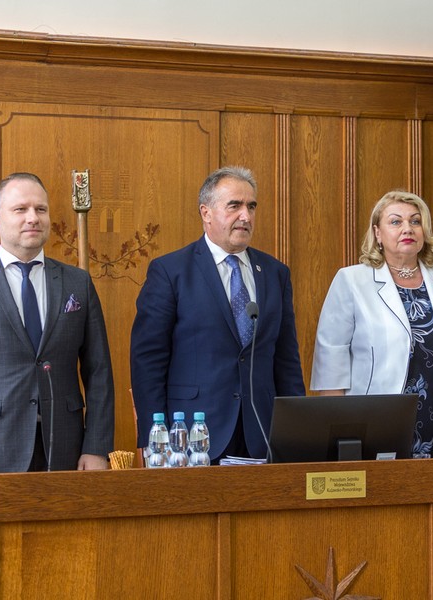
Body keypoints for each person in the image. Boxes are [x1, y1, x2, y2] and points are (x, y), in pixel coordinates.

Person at [0, 172, 115, 473]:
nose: (33, 218)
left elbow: (99, 373)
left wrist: (96, 447)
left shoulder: (77, 283)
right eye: (20, 209)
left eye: (41, 209)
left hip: (66, 451)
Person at [130, 166, 304, 461]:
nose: (245, 216)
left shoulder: (275, 273)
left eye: (251, 207)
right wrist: (154, 437)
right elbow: (148, 360)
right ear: (206, 213)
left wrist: (297, 432)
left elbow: (286, 361)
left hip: (262, 433)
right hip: (192, 435)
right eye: (234, 206)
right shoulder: (171, 272)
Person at [311, 190, 433, 458]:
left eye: (415, 221)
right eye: (395, 221)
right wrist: (339, 432)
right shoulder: (352, 281)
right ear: (377, 233)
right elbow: (331, 362)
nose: (407, 228)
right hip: (372, 426)